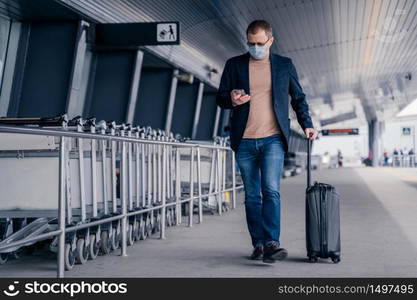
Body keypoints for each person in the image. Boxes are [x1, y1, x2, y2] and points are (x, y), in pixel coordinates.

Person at [216, 20, 318, 264]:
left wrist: (307, 124)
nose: (255, 47)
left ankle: (272, 242)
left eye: (260, 43)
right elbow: (221, 98)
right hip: (244, 141)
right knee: (252, 196)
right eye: (250, 43)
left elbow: (298, 98)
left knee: (270, 190)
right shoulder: (234, 65)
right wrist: (232, 99)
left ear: (270, 41)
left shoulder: (284, 65)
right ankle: (258, 244)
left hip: (273, 138)